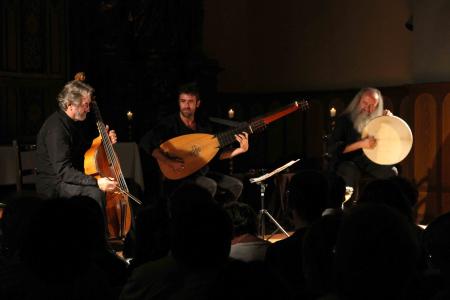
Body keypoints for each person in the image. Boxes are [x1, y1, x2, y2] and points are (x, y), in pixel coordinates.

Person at [140, 83, 248, 202]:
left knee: (236, 185)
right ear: (179, 103)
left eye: (190, 101)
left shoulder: (204, 126)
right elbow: (146, 142)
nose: (186, 105)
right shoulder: (169, 124)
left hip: (202, 172)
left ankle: (217, 215)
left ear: (198, 104)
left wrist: (240, 150)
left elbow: (217, 154)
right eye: (183, 101)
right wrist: (169, 161)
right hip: (179, 177)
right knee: (210, 185)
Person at [36, 80, 118, 211]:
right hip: (54, 185)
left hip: (66, 180)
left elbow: (82, 150)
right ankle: (93, 231)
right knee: (95, 194)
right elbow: (63, 171)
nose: (88, 109)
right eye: (85, 105)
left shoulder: (73, 123)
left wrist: (103, 142)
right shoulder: (56, 128)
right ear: (70, 105)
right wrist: (96, 182)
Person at [326, 87, 398, 201]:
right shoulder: (344, 120)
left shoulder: (377, 119)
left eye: (372, 105)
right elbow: (333, 149)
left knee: (391, 171)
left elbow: (389, 140)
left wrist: (389, 121)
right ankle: (346, 209)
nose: (368, 109)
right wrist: (361, 144)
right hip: (347, 160)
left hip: (368, 162)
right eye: (365, 103)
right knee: (349, 171)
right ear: (358, 101)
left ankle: (384, 207)